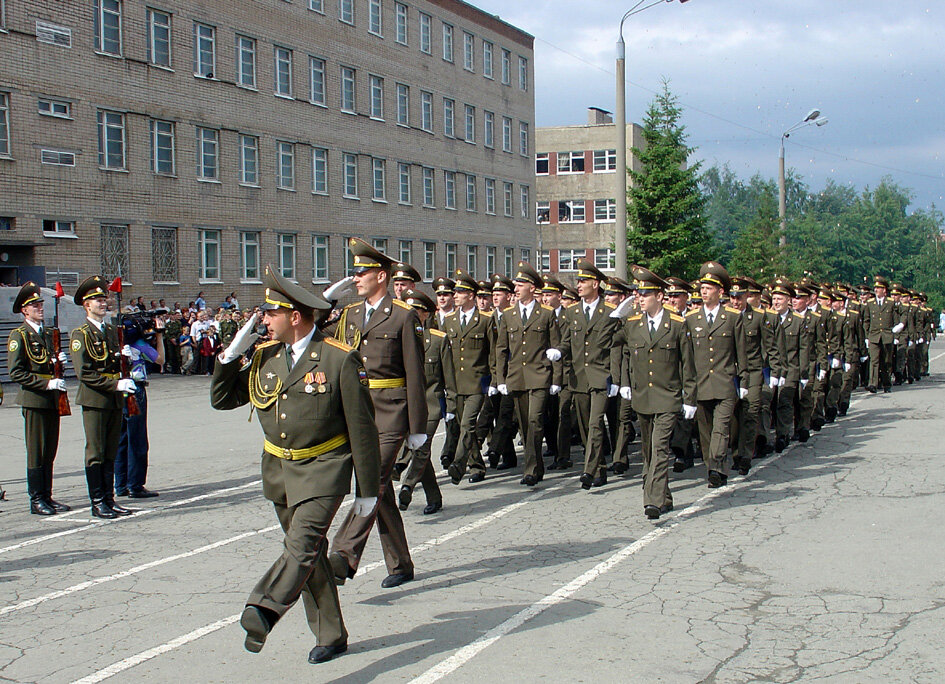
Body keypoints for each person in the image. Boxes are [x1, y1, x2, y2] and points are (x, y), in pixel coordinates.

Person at [211, 266, 379, 665]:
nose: (262, 321)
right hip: (280, 471)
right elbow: (223, 399)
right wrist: (230, 355)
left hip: (324, 468)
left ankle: (264, 610)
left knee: (301, 546)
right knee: (310, 556)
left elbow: (362, 428)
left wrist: (367, 489)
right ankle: (331, 633)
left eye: (270, 314)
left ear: (295, 317)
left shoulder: (339, 359)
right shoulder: (266, 356)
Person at [327, 238, 427, 589]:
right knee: (381, 490)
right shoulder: (351, 314)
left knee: (372, 480)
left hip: (391, 411)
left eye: (361, 273)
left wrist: (417, 427)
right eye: (354, 273)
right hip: (358, 414)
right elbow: (324, 339)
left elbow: (416, 373)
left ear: (381, 276)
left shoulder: (404, 316)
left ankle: (342, 553)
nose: (356, 278)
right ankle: (400, 564)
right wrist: (327, 302)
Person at [618, 266, 696, 519]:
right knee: (649, 452)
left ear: (660, 296)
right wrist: (621, 310)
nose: (640, 298)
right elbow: (611, 338)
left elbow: (687, 363)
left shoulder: (676, 325)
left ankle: (652, 500)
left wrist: (690, 397)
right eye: (638, 294)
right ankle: (665, 495)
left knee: (660, 449)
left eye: (645, 294)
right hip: (643, 398)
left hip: (668, 397)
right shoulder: (632, 325)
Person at [70, 276, 137, 519]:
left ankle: (109, 499)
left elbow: (115, 363)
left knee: (110, 450)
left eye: (104, 298)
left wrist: (126, 359)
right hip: (95, 399)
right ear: (86, 305)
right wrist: (115, 383)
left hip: (114, 398)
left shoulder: (111, 331)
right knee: (96, 452)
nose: (103, 302)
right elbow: (84, 372)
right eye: (97, 300)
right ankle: (97, 501)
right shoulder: (81, 334)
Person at [493, 262, 562, 487]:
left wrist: (557, 379)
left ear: (532, 288)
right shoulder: (508, 315)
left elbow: (556, 348)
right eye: (516, 284)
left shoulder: (546, 315)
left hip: (540, 375)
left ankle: (531, 469)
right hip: (517, 377)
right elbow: (501, 349)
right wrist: (501, 380)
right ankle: (536, 464)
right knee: (524, 424)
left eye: (521, 284)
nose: (516, 288)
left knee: (535, 420)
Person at [7, 282, 71, 515]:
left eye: (40, 303)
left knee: (49, 450)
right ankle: (36, 499)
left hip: (52, 399)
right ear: (24, 310)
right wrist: (46, 383)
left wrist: (58, 363)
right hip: (34, 399)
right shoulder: (20, 335)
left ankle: (48, 496)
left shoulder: (46, 333)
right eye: (34, 305)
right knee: (37, 450)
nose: (40, 308)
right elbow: (16, 372)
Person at [684, 262, 748, 488]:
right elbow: (688, 357)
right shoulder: (691, 319)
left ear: (720, 292)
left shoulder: (732, 317)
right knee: (706, 433)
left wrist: (744, 380)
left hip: (724, 383)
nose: (704, 291)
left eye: (709, 287)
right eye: (702, 286)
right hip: (700, 384)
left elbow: (741, 351)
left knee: (721, 429)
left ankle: (715, 466)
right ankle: (716, 469)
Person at [560, 259, 621, 490]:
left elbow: (615, 347)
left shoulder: (609, 312)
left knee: (596, 423)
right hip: (578, 377)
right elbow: (567, 341)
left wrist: (615, 378)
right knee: (586, 426)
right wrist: (558, 351)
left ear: (595, 284)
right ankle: (600, 468)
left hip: (600, 375)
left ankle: (588, 470)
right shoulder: (572, 312)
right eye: (578, 281)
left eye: (583, 281)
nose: (579, 285)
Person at [396, 288, 451, 514]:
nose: (410, 315)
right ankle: (434, 496)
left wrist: (453, 408)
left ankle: (407, 485)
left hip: (430, 404)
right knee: (422, 453)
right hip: (407, 405)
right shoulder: (399, 339)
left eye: (415, 311)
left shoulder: (438, 340)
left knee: (421, 447)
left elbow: (449, 376)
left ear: (425, 314)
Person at [443, 270, 496, 485]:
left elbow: (493, 352)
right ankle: (477, 465)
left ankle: (459, 464)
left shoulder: (484, 320)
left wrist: (494, 381)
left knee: (467, 424)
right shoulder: (449, 320)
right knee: (466, 427)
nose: (455, 295)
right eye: (455, 292)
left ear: (471, 295)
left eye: (461, 292)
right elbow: (444, 355)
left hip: (477, 383)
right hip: (455, 383)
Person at [114, 312, 165, 498]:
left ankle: (120, 484)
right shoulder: (139, 344)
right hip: (136, 390)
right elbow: (160, 359)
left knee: (121, 439)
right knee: (137, 439)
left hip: (119, 388)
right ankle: (135, 484)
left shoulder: (117, 345)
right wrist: (159, 335)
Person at [861, 275, 900, 393]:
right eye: (875, 288)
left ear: (884, 290)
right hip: (874, 335)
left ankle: (886, 383)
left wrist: (896, 336)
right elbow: (866, 321)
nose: (876, 290)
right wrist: (867, 337)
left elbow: (896, 321)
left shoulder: (891, 303)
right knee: (874, 360)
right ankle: (872, 383)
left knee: (886, 361)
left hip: (887, 336)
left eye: (879, 288)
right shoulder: (870, 303)